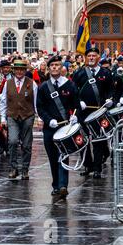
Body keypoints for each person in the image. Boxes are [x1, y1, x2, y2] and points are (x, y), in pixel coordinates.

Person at [36, 56, 79, 198]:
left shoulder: (70, 85)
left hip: (65, 127)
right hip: (50, 128)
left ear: (62, 68)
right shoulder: (43, 87)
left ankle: (63, 185)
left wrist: (74, 116)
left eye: (57, 65)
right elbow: (40, 108)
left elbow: (76, 105)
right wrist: (48, 120)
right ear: (49, 68)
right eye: (52, 65)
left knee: (64, 155)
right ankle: (56, 185)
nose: (55, 67)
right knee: (53, 157)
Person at [73, 47, 114, 179]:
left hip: (99, 112)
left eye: (93, 55)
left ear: (98, 57)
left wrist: (109, 99)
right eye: (89, 55)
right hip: (83, 112)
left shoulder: (105, 73)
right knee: (82, 141)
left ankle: (97, 168)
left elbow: (111, 90)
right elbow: (73, 91)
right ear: (86, 58)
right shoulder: (79, 73)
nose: (91, 57)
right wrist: (78, 102)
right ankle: (88, 165)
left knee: (98, 140)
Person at [0, 57, 38, 180]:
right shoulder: (7, 83)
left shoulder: (32, 83)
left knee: (26, 145)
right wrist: (3, 118)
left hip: (27, 116)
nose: (19, 72)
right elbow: (3, 102)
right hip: (12, 116)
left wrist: (39, 118)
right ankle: (13, 168)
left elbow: (36, 103)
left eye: (22, 69)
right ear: (14, 70)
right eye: (17, 69)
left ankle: (25, 169)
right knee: (12, 141)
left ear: (25, 70)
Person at [0, 60, 12, 156]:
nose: (6, 69)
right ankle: (2, 146)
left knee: (10, 127)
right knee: (0, 127)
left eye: (7, 67)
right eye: (4, 68)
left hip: (10, 105)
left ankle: (9, 146)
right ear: (1, 69)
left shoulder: (13, 78)